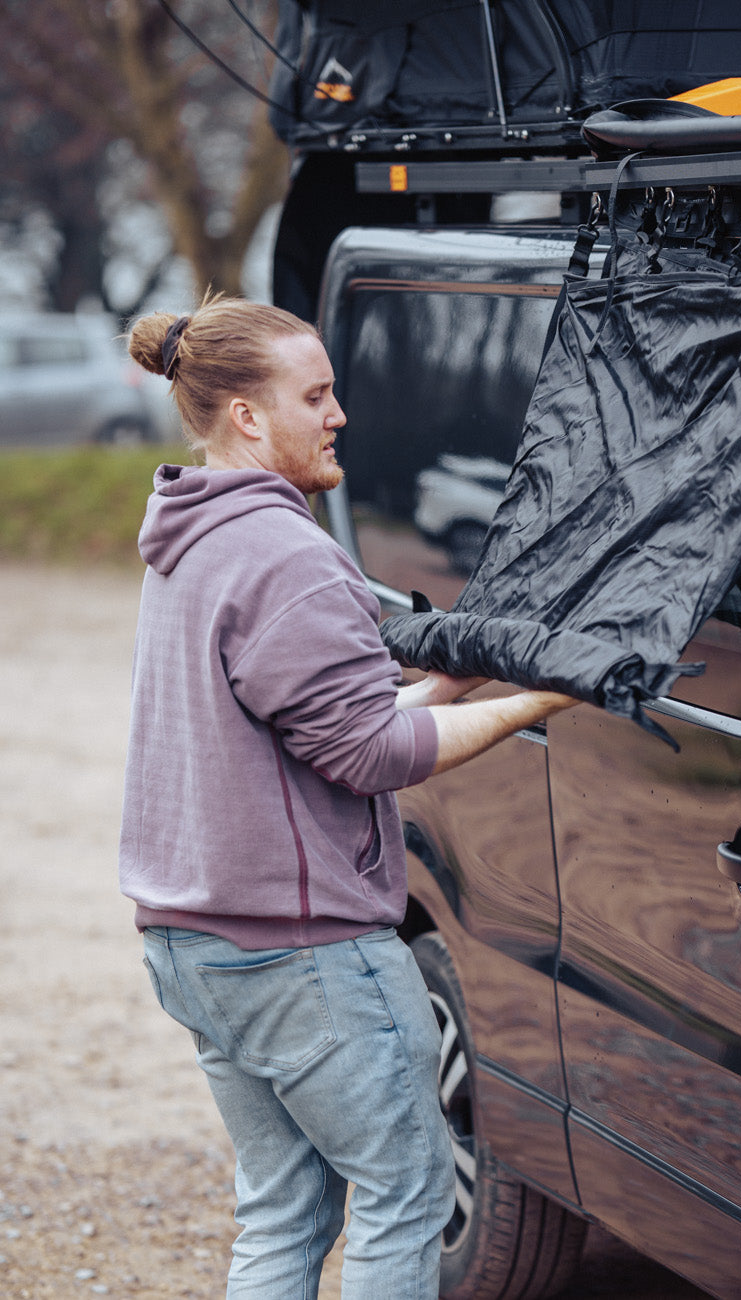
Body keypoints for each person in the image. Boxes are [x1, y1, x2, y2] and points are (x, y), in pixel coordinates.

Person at [118, 294, 576, 1298]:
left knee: (284, 1211)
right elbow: (372, 749)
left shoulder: (193, 536)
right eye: (315, 395)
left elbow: (324, 705)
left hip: (197, 942)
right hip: (302, 954)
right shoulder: (286, 556)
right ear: (248, 414)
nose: (339, 415)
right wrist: (546, 694)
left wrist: (467, 666)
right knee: (405, 1191)